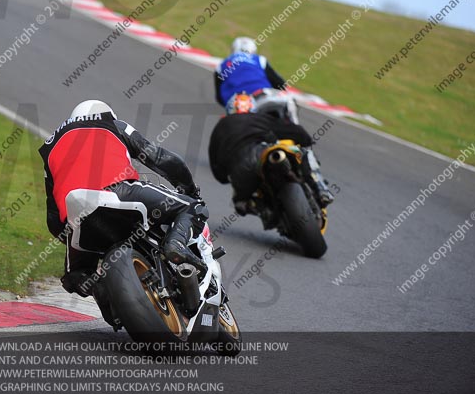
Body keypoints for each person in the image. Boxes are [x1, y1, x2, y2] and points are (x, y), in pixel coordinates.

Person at [39, 100, 207, 302]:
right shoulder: (111, 124)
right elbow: (161, 158)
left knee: (76, 276)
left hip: (75, 215)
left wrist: (73, 235)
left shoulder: (49, 147)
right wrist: (188, 188)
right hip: (118, 191)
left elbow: (53, 219)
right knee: (191, 207)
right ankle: (176, 245)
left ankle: (104, 295)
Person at [208, 93, 334, 215]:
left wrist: (224, 177)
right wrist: (305, 140)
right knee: (304, 153)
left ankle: (254, 206)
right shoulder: (259, 118)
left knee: (240, 201)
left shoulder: (220, 126)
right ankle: (321, 189)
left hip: (239, 173)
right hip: (261, 153)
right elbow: (298, 133)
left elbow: (215, 165)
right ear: (252, 108)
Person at [214, 36, 287, 112]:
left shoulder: (221, 66)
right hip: (262, 95)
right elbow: (280, 84)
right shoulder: (260, 60)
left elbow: (219, 98)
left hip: (237, 103)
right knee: (287, 108)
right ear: (253, 50)